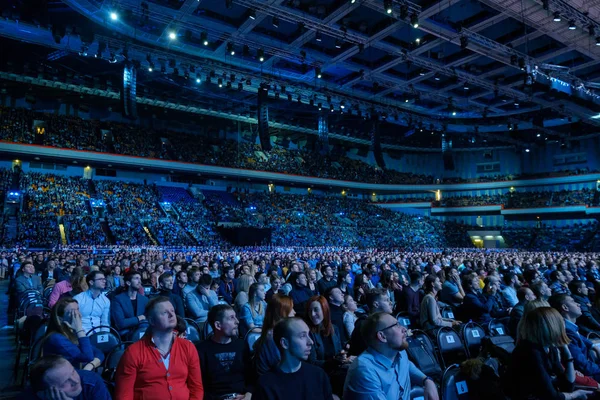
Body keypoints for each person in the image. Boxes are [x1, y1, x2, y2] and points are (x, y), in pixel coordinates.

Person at [115, 296, 204, 400]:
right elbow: (124, 395)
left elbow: (196, 387)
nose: (172, 315)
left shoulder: (188, 347)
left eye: (172, 311)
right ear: (152, 321)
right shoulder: (133, 352)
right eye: (164, 313)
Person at [343, 312, 439, 400]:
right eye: (396, 325)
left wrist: (426, 380)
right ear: (382, 336)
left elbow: (407, 366)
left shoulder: (399, 352)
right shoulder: (364, 371)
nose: (404, 329)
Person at [508, 306, 591, 400]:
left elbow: (567, 385)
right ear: (553, 326)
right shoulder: (530, 352)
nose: (563, 324)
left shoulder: (549, 347)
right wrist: (575, 395)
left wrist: (567, 353)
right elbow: (551, 396)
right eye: (561, 321)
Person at [253, 317, 333, 400]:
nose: (311, 342)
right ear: (284, 343)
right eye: (303, 336)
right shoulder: (265, 386)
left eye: (308, 334)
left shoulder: (319, 375)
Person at [196, 304, 252, 400]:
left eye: (236, 317)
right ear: (218, 325)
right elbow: (199, 385)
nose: (237, 322)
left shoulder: (241, 345)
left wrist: (248, 395)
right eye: (231, 318)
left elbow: (251, 376)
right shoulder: (201, 349)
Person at [42, 298, 104, 370]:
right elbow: (87, 356)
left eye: (78, 310)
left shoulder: (72, 333)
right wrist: (79, 329)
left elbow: (98, 352)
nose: (79, 315)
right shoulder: (56, 338)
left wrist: (91, 365)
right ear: (60, 319)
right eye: (73, 312)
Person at [549, 294, 600, 381]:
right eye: (573, 301)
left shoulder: (569, 327)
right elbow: (584, 367)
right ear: (565, 308)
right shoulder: (566, 333)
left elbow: (580, 337)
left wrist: (593, 346)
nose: (578, 304)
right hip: (589, 375)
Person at [27, 355, 111, 400]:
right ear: (44, 393)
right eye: (65, 381)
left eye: (73, 372)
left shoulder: (91, 382)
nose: (76, 381)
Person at [254, 294, 296, 376]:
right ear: (283, 312)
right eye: (291, 309)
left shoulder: (277, 333)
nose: (294, 312)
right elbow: (282, 367)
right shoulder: (272, 338)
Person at [348, 289, 394, 356]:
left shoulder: (387, 322)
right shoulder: (363, 324)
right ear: (376, 304)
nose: (391, 303)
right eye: (386, 300)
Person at [111, 271, 149, 338]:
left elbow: (148, 318)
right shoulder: (118, 299)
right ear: (128, 283)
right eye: (136, 278)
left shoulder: (144, 299)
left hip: (142, 332)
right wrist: (138, 318)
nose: (139, 281)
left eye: (140, 279)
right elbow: (121, 323)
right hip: (126, 334)